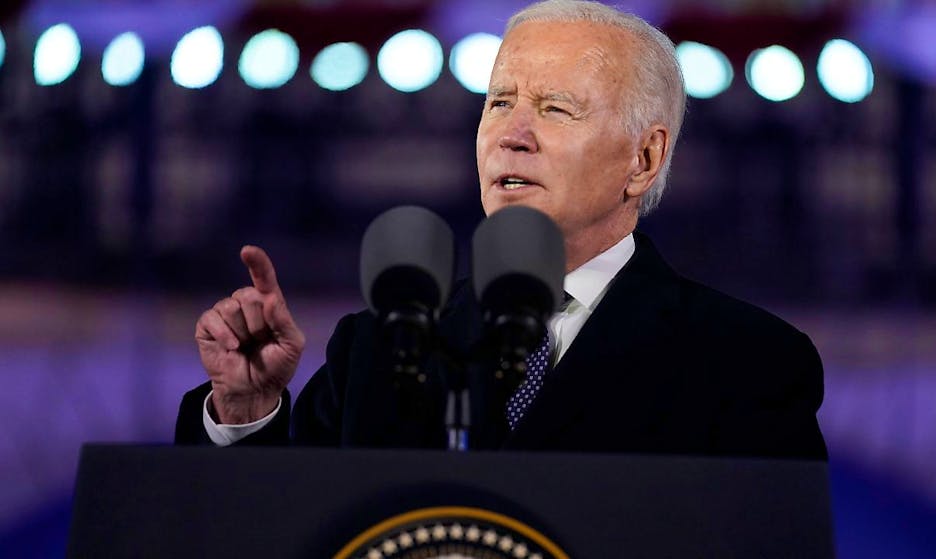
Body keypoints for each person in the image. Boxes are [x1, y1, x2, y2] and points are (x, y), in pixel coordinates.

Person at [176, 0, 827, 460]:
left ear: (644, 159)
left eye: (554, 108)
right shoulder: (373, 352)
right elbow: (262, 527)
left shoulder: (747, 364)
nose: (513, 136)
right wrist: (244, 412)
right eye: (499, 103)